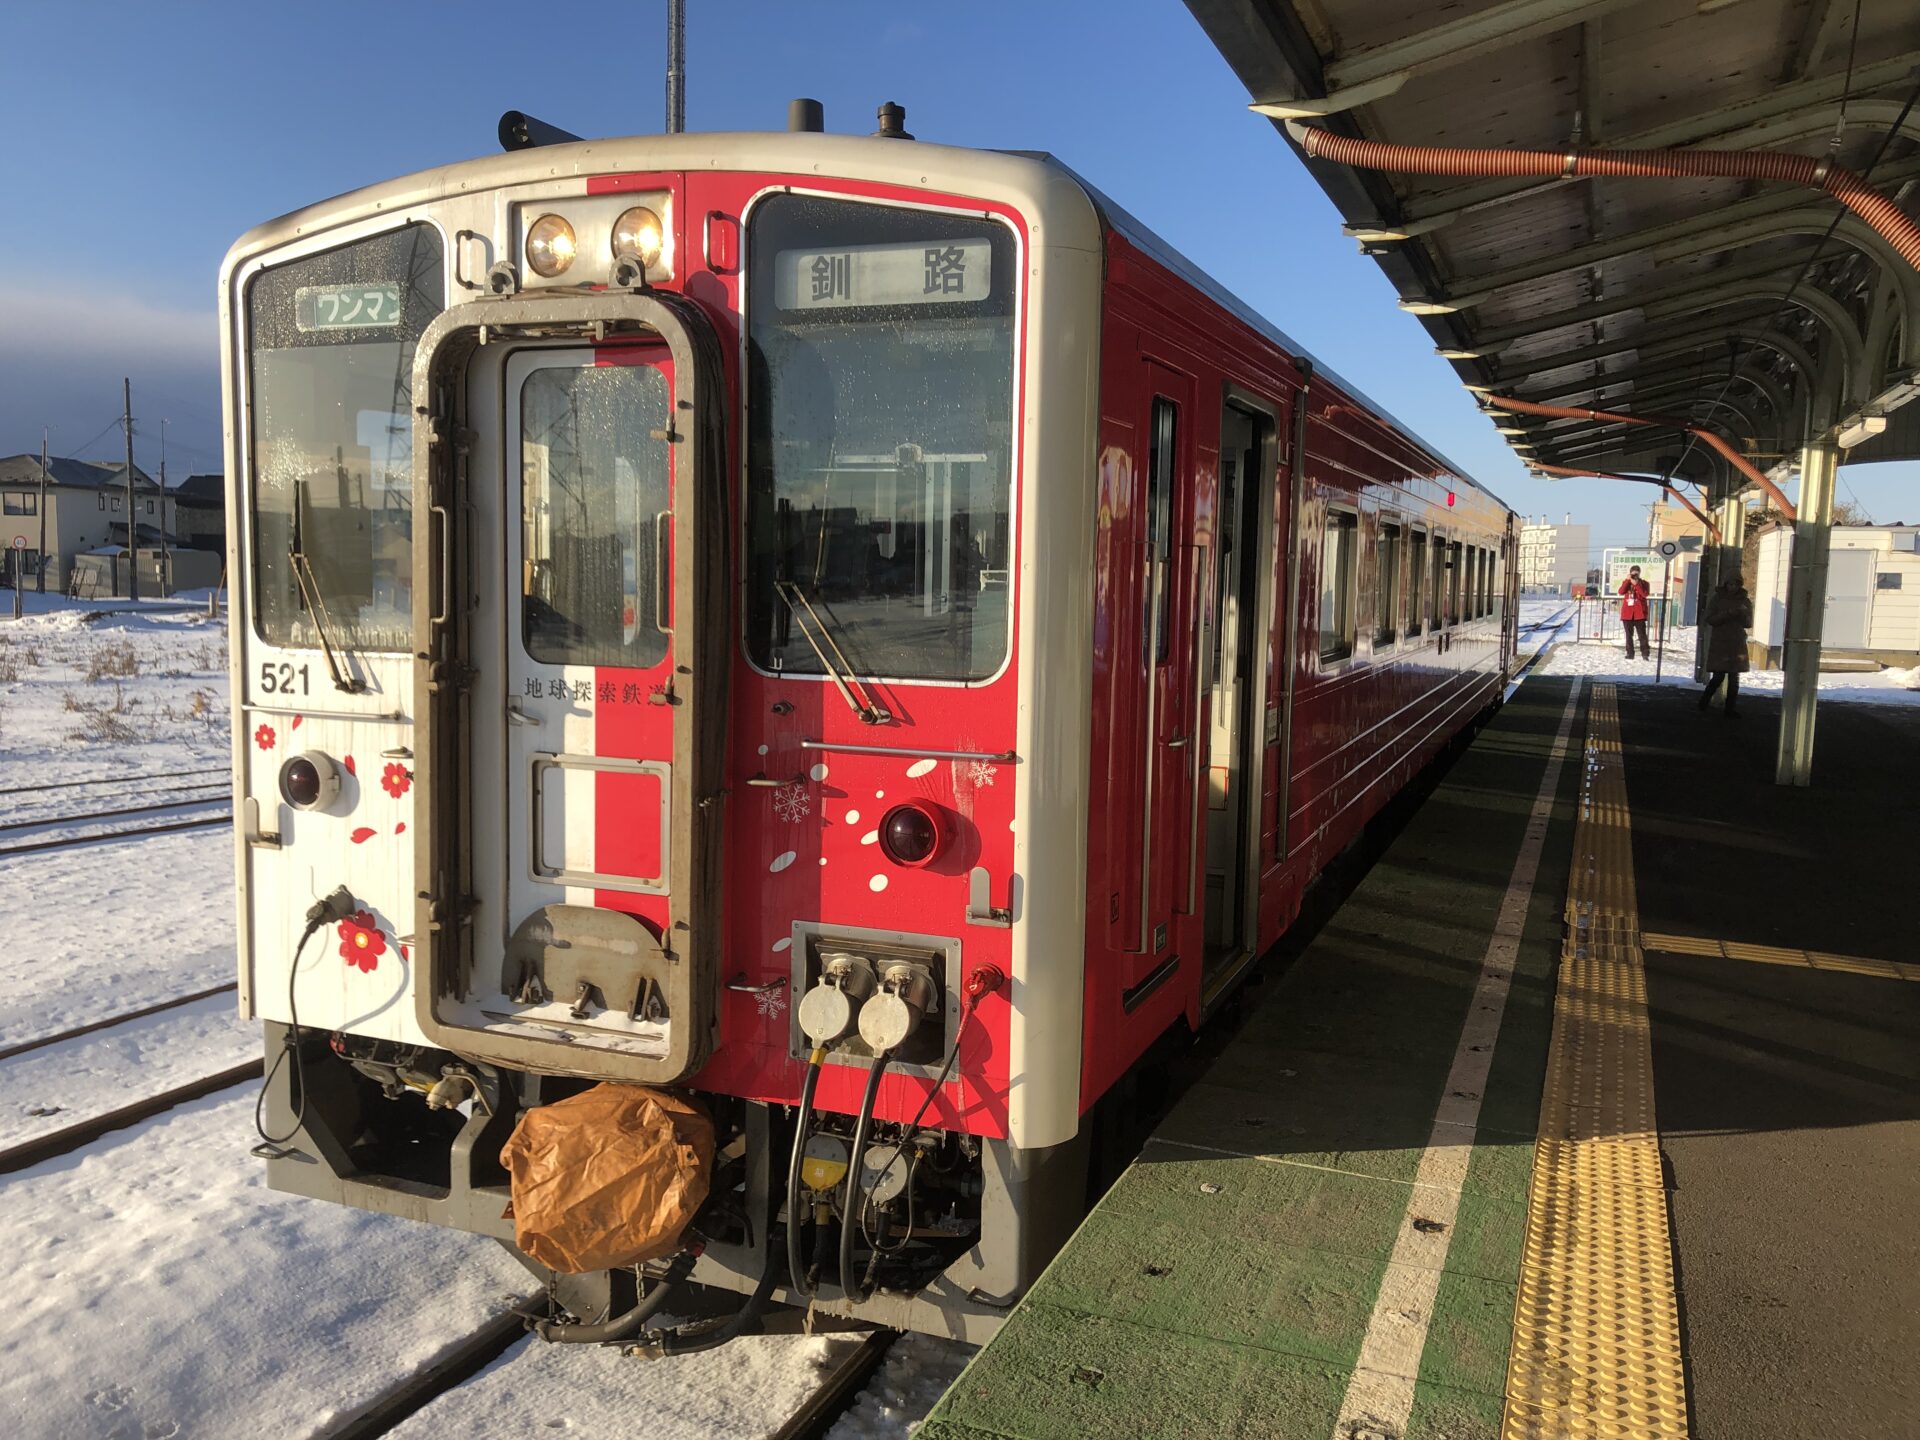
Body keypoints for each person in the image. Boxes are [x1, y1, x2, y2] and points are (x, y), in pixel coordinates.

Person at [1698, 576, 1753, 717]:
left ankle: (1730, 709)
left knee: (1734, 679)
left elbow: (1748, 623)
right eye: (1729, 584)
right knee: (1718, 676)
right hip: (1720, 642)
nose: (1732, 587)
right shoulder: (1717, 599)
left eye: (1735, 584)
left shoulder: (1745, 601)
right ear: (1725, 584)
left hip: (1736, 642)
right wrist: (1727, 614)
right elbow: (1710, 619)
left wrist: (1741, 614)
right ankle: (1703, 703)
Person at [1618, 565, 1652, 659]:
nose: (1634, 576)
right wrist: (1627, 580)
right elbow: (1621, 592)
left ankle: (1645, 654)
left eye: (1636, 574)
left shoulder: (1644, 583)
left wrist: (1636, 584)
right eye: (1633, 574)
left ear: (1639, 574)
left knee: (1642, 635)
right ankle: (1630, 653)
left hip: (1639, 614)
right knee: (1629, 635)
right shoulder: (1627, 583)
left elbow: (1644, 594)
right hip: (1627, 614)